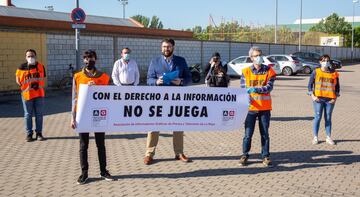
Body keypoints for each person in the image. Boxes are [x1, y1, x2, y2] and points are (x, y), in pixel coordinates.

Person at [144, 38, 192, 165]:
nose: (166, 49)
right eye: (164, 46)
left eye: (169, 46)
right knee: (154, 126)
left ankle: (179, 153)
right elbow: (148, 79)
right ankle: (149, 153)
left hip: (176, 99)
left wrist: (181, 81)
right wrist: (156, 82)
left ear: (173, 48)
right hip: (159, 99)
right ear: (161, 48)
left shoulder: (181, 61)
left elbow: (189, 78)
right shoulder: (154, 61)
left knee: (178, 126)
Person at [71, 50, 114, 184]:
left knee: (100, 144)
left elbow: (109, 96)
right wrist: (72, 117)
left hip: (98, 114)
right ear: (84, 60)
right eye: (87, 58)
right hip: (82, 114)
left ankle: (103, 171)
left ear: (96, 59)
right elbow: (74, 98)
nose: (89, 60)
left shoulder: (104, 77)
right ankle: (84, 173)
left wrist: (97, 88)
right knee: (83, 145)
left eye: (92, 58)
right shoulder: (77, 76)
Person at [239, 46, 276, 167]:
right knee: (248, 134)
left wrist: (256, 89)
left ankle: (265, 156)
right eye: (255, 55)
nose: (258, 57)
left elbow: (269, 87)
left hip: (264, 108)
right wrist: (246, 95)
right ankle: (245, 154)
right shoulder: (246, 72)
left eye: (260, 54)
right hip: (250, 109)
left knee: (264, 133)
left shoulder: (269, 71)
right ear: (251, 58)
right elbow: (243, 89)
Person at [308, 54, 340, 145]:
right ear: (320, 62)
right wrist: (313, 96)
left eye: (327, 60)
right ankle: (315, 137)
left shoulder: (334, 73)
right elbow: (309, 85)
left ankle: (328, 137)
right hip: (318, 99)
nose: (325, 62)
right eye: (323, 60)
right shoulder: (316, 72)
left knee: (328, 118)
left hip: (330, 100)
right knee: (317, 117)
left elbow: (337, 88)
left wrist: (335, 98)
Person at [16, 49, 46, 142]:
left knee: (39, 115)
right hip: (27, 95)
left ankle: (39, 133)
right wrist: (21, 84)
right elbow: (17, 79)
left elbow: (43, 78)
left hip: (39, 94)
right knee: (28, 115)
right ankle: (29, 134)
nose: (30, 58)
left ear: (35, 56)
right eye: (28, 56)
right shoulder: (21, 67)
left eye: (32, 56)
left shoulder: (41, 66)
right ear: (26, 57)